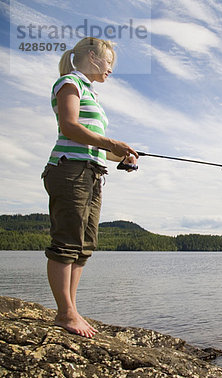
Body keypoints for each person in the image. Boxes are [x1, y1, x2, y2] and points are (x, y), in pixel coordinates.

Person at [42, 37, 138, 338]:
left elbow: (94, 144)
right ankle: (65, 313)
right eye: (109, 62)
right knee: (67, 242)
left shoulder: (92, 95)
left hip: (92, 171)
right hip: (69, 169)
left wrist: (120, 154)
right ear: (93, 58)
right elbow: (69, 127)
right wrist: (111, 142)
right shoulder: (70, 83)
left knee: (84, 245)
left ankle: (70, 308)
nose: (110, 69)